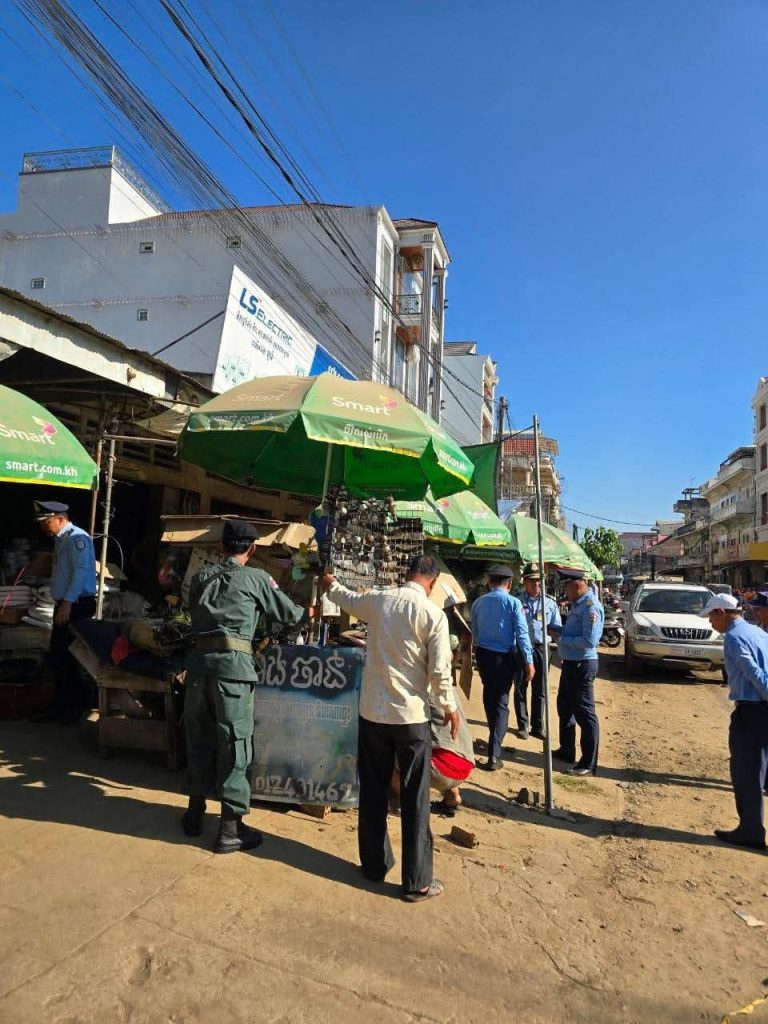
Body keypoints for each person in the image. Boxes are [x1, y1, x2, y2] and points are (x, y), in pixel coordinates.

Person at [321, 555, 459, 902]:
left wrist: (331, 584)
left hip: (373, 714)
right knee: (415, 798)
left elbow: (346, 598)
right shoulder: (433, 615)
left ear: (408, 573)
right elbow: (439, 673)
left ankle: (374, 865)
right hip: (410, 718)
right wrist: (450, 707)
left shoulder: (380, 600)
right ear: (432, 581)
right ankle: (417, 882)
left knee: (373, 791)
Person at [183, 519, 305, 854]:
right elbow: (290, 614)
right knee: (235, 747)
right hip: (233, 673)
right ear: (251, 549)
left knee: (198, 739)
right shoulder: (257, 578)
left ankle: (194, 814)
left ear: (221, 547)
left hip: (198, 669)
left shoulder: (200, 577)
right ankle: (229, 830)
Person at [700, 593, 768, 850]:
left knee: (747, 773)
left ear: (721, 612)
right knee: (760, 771)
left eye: (711, 616)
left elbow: (754, 673)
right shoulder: (757, 632)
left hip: (752, 711)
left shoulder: (734, 637)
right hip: (759, 711)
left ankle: (750, 831)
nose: (710, 622)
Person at [31, 500, 96, 725]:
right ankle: (62, 706)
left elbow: (81, 572)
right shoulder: (61, 539)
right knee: (59, 657)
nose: (43, 527)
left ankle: (73, 705)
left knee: (66, 656)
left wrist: (67, 604)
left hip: (76, 604)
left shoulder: (77, 538)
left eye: (46, 522)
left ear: (60, 519)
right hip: (66, 603)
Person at [470, 564, 534, 770]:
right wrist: (529, 661)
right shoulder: (514, 603)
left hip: (483, 656)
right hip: (504, 657)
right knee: (501, 703)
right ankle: (494, 754)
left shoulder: (478, 603)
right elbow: (522, 634)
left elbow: (475, 633)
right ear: (509, 584)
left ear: (489, 583)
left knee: (490, 698)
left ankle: (494, 741)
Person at [547, 568, 604, 776]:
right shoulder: (579, 605)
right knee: (565, 706)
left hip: (582, 664)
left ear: (578, 585)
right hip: (571, 663)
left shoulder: (590, 607)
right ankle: (567, 750)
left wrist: (562, 639)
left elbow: (589, 640)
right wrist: (557, 629)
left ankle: (588, 763)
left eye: (567, 588)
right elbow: (574, 631)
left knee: (584, 714)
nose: (565, 592)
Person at [516, 563, 561, 741]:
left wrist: (562, 651)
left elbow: (557, 628)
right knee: (521, 687)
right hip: (522, 648)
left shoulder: (550, 603)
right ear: (525, 582)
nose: (536, 584)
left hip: (542, 648)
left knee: (540, 689)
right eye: (532, 580)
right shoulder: (517, 602)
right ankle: (523, 725)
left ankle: (537, 725)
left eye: (538, 580)